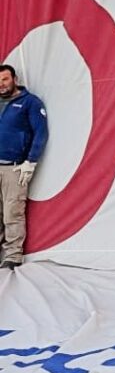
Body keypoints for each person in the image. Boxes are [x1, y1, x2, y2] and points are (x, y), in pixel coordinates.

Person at [0, 63, 47, 268]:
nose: (1, 84)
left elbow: (41, 133)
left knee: (12, 212)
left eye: (5, 79)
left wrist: (31, 162)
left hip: (15, 168)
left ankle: (13, 255)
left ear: (14, 79)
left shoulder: (30, 102)